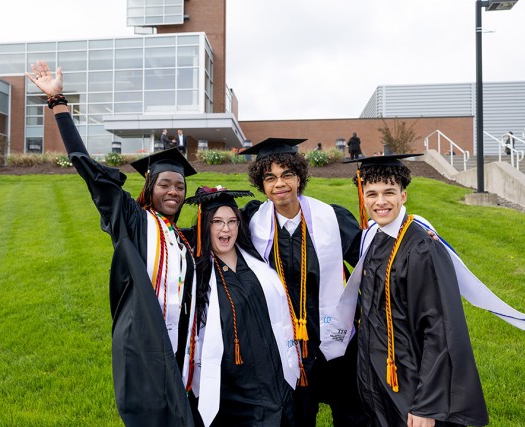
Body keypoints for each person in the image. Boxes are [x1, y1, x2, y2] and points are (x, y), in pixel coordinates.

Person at [26, 61, 197, 427]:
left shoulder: (182, 240)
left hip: (181, 343)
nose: (173, 191)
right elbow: (89, 170)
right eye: (165, 184)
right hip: (144, 342)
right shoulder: (132, 221)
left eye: (179, 186)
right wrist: (58, 103)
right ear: (150, 187)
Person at [341, 153, 525, 426]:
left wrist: (426, 405)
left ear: (404, 195)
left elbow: (440, 328)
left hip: (410, 381)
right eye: (371, 194)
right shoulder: (375, 238)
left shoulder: (420, 248)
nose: (380, 201)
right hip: (379, 376)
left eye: (389, 192)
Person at [239, 138, 369, 427]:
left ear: (299, 177)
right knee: (296, 417)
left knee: (352, 413)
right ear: (262, 184)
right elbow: (217, 242)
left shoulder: (331, 218)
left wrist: (412, 236)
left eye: (287, 174)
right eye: (269, 177)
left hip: (336, 336)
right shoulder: (253, 224)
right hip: (286, 341)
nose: (279, 184)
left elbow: (370, 257)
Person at [186, 186, 301, 427]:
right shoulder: (197, 273)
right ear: (205, 225)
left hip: (273, 372)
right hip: (232, 386)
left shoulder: (257, 261)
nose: (225, 229)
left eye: (231, 221)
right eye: (217, 222)